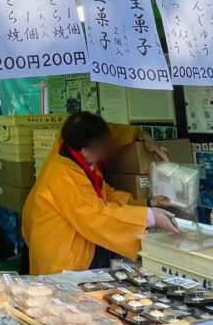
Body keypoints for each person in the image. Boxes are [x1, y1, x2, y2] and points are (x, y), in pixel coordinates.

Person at [21, 112, 179, 275]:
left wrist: (147, 203)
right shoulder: (63, 174)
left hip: (80, 248)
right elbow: (95, 214)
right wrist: (149, 216)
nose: (106, 151)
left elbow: (108, 197)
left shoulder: (80, 154)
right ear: (85, 149)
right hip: (62, 261)